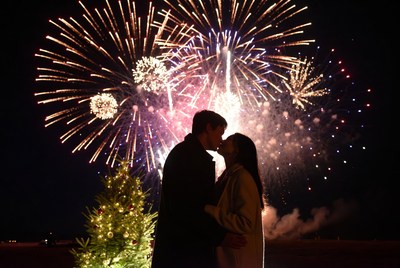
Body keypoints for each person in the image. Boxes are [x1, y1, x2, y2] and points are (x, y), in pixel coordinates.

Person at [151, 110, 247, 268]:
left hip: (178, 250)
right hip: (186, 253)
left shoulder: (183, 153)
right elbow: (191, 208)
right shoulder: (193, 158)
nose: (221, 139)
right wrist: (220, 236)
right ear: (209, 128)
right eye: (220, 133)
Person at [204, 133, 265, 268]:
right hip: (230, 257)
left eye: (229, 139)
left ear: (237, 150)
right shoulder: (228, 176)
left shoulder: (242, 177)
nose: (223, 140)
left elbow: (246, 222)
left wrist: (211, 210)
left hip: (238, 259)